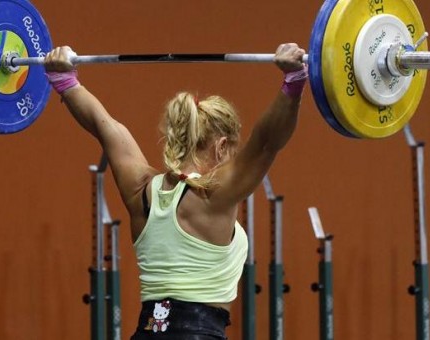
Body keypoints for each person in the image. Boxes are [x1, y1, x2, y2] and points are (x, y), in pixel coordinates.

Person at [44, 44, 306, 339]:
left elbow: (105, 126)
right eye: (232, 150)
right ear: (221, 147)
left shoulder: (141, 189)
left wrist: (64, 80)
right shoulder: (214, 195)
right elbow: (266, 143)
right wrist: (294, 80)